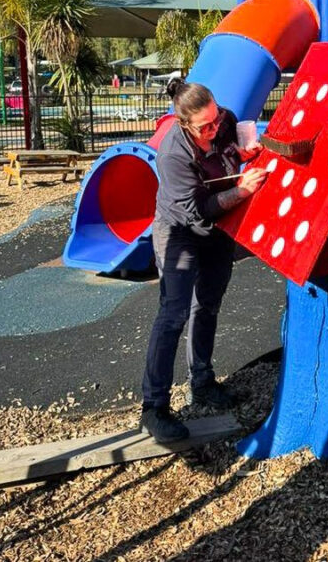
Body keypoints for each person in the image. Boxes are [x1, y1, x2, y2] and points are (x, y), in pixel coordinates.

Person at [140, 79, 266, 442]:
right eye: (205, 126)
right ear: (184, 124)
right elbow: (198, 211)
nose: (213, 128)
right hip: (180, 229)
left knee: (208, 303)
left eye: (215, 119)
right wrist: (242, 190)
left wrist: (244, 149)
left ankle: (203, 381)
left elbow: (233, 139)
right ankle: (154, 407)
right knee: (173, 312)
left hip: (217, 229)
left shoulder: (222, 120)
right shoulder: (173, 154)